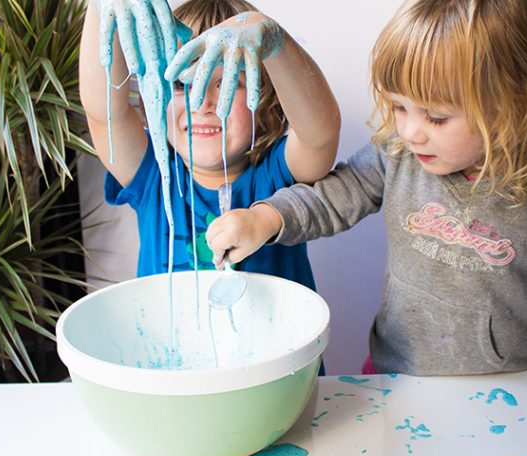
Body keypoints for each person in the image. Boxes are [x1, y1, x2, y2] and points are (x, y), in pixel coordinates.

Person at [205, 0, 527, 419]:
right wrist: (266, 217)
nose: (410, 131)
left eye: (437, 118)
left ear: (510, 107)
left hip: (510, 392)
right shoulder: (396, 155)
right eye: (399, 107)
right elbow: (333, 196)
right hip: (395, 377)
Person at [79, 0, 340, 292]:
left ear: (265, 99)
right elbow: (104, 116)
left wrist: (276, 44)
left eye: (226, 82)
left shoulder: (278, 176)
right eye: (181, 84)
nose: (201, 104)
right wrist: (100, 9)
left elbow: (320, 135)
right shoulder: (154, 176)